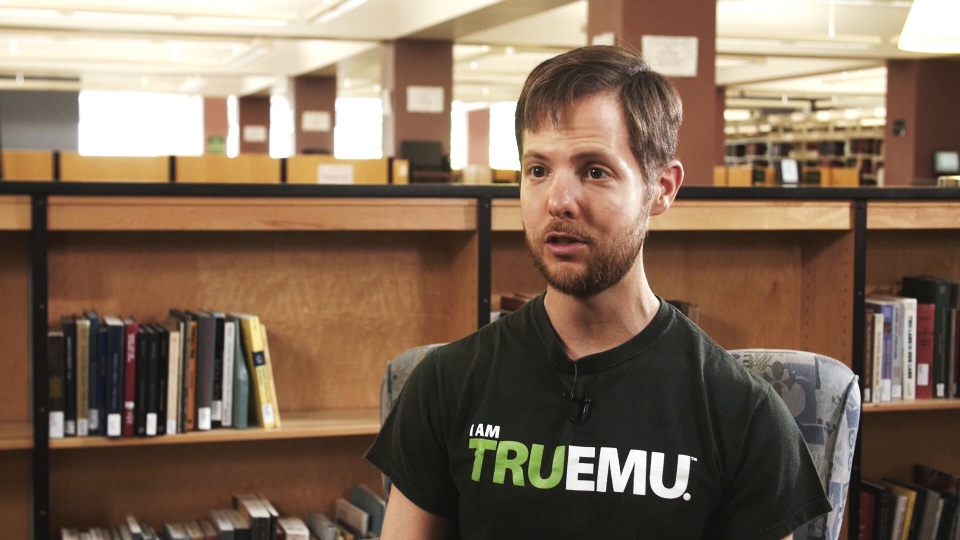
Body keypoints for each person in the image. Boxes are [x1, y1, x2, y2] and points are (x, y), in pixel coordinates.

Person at [366, 45, 831, 539]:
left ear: (662, 188)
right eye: (538, 170)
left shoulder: (742, 414)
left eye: (594, 170)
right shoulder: (445, 386)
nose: (558, 201)